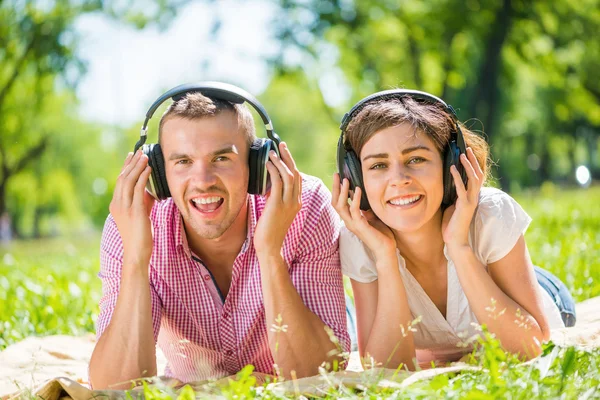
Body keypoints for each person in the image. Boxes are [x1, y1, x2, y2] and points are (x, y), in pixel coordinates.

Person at [89, 83, 350, 389]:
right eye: (183, 162)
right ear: (158, 173)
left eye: (221, 159)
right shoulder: (131, 223)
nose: (202, 181)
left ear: (257, 166)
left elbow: (321, 374)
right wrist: (136, 258)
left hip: (309, 326)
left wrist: (269, 253)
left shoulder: (304, 204)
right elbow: (113, 389)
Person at [333, 89, 576, 370]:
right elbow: (384, 371)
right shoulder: (360, 239)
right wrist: (385, 256)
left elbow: (530, 348)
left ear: (451, 164)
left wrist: (459, 247)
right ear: (355, 178)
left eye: (416, 160)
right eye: (378, 165)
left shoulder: (490, 213)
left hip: (539, 290)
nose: (398, 179)